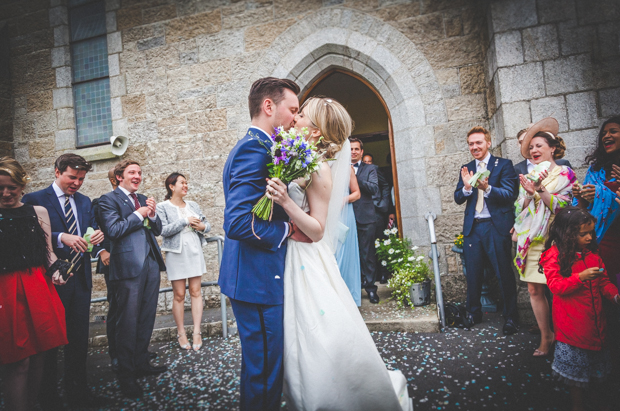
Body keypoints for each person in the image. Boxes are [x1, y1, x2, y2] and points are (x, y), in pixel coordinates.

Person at [266, 96, 412, 410]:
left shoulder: (319, 168)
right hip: (291, 253)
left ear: (316, 132)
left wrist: (285, 202)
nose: (295, 118)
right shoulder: (299, 158)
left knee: (317, 332)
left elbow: (317, 228)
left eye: (301, 114)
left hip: (306, 256)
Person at [218, 77, 311, 411]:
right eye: (293, 109)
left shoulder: (260, 148)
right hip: (256, 281)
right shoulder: (252, 150)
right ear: (269, 106)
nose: (294, 118)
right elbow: (238, 223)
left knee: (261, 369)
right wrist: (287, 229)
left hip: (254, 278)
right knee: (265, 372)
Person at [22, 153, 107, 409]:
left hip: (80, 282)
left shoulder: (84, 202)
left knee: (78, 341)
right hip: (49, 282)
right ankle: (48, 397)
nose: (78, 183)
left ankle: (78, 393)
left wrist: (95, 239)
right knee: (48, 344)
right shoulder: (34, 199)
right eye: (73, 177)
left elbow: (89, 235)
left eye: (81, 178)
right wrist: (61, 237)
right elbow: (29, 237)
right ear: (57, 172)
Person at [0, 157, 70, 411]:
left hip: (37, 287)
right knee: (17, 361)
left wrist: (58, 269)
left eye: (12, 187)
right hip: (5, 292)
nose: (6, 193)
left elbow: (48, 253)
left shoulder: (38, 212)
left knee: (40, 354)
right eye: (0, 188)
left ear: (22, 185)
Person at [98, 159, 167, 398]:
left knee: (146, 316)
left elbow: (156, 230)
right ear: (120, 177)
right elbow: (114, 230)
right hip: (127, 266)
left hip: (150, 263)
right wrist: (138, 214)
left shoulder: (144, 197)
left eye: (139, 172)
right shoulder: (108, 200)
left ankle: (141, 362)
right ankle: (125, 374)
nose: (137, 176)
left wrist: (154, 214)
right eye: (132, 172)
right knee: (126, 320)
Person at [540, 207, 620, 411]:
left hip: (594, 326)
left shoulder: (592, 255)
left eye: (591, 232)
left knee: (592, 374)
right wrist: (580, 277)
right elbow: (556, 286)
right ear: (567, 233)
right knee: (576, 378)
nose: (589, 237)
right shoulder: (554, 256)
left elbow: (604, 282)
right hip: (572, 329)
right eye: (583, 233)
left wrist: (615, 295)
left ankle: (594, 403)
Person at [513, 117, 576, 357]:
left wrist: (539, 190)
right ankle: (545, 335)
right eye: (531, 148)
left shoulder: (565, 173)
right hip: (531, 239)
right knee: (534, 290)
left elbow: (561, 208)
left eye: (539, 146)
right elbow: (521, 210)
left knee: (559, 290)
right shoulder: (528, 176)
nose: (534, 150)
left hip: (555, 239)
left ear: (552, 148)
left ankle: (566, 336)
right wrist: (528, 194)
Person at [454, 126, 519, 334]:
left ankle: (510, 317)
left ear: (488, 143)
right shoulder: (466, 167)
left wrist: (487, 188)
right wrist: (466, 188)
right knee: (472, 274)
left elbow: (510, 194)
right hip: (473, 228)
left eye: (479, 143)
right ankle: (473, 313)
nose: (475, 147)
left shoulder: (504, 165)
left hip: (495, 226)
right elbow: (457, 198)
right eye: (471, 144)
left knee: (503, 273)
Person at [156, 172, 211, 351]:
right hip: (176, 253)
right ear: (172, 186)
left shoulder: (193, 205)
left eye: (187, 183)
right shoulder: (162, 206)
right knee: (179, 294)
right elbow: (163, 230)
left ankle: (197, 332)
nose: (185, 186)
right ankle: (181, 333)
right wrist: (184, 221)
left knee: (196, 291)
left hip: (194, 250)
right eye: (182, 183)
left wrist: (202, 227)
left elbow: (207, 225)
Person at [573, 116, 620, 286]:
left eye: (613, 131)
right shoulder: (596, 170)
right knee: (606, 289)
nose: (606, 136)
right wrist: (580, 196)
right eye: (604, 133)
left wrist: (602, 193)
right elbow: (583, 210)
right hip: (601, 240)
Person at [92, 168, 119, 371]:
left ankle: (134, 351)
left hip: (132, 261)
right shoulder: (101, 201)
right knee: (117, 307)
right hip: (112, 260)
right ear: (113, 179)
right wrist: (101, 250)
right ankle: (116, 353)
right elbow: (93, 228)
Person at [350, 137, 380, 303]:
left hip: (366, 217)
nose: (353, 152)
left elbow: (374, 188)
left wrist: (355, 178)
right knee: (350, 253)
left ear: (361, 152)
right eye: (351, 149)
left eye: (356, 149)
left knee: (367, 254)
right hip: (347, 216)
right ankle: (351, 288)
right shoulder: (340, 170)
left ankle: (370, 289)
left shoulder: (371, 169)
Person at [336, 165, 362, 305]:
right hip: (326, 211)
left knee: (345, 252)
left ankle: (349, 298)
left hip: (345, 213)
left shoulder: (347, 168)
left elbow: (357, 193)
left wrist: (342, 200)